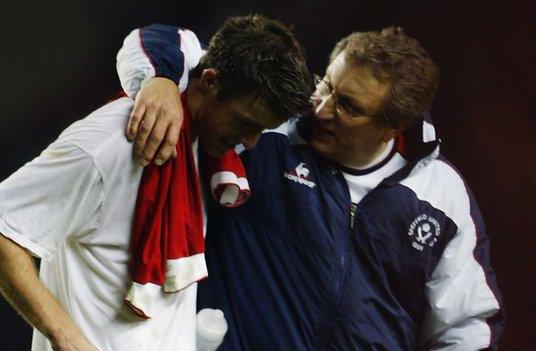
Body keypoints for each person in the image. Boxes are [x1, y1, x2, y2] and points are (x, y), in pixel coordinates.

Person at [120, 26, 505, 350]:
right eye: (327, 85)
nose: (322, 110)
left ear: (392, 128)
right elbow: (160, 39)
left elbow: (466, 328)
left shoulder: (440, 197)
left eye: (349, 107)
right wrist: (162, 79)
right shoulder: (268, 133)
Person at [0, 15, 313, 351]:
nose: (249, 143)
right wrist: (66, 337)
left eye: (258, 131)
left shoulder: (203, 142)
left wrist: (161, 76)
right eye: (244, 122)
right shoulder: (109, 143)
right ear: (209, 81)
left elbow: (182, 41)